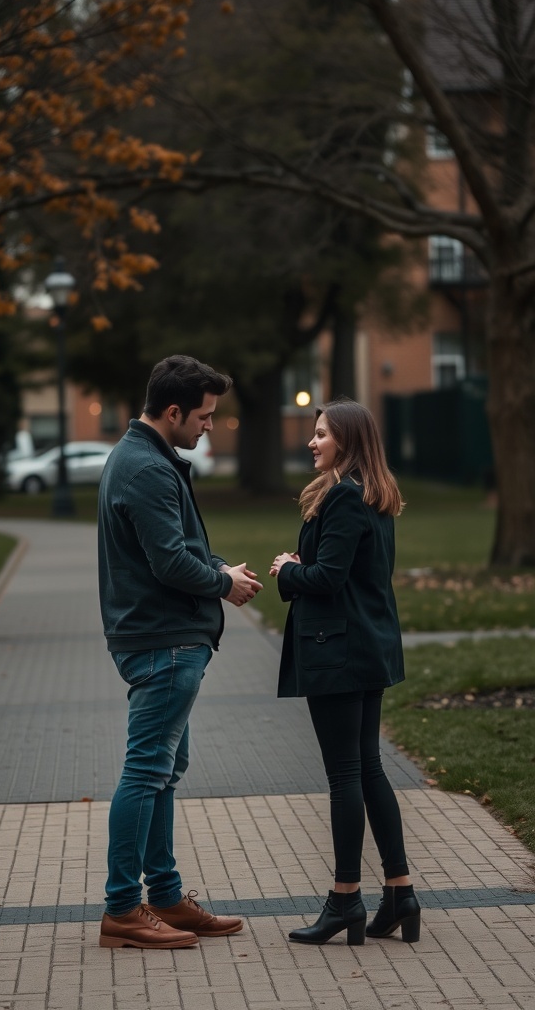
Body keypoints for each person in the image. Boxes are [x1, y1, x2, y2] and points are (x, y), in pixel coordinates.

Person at [98, 354, 262, 949]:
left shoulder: (142, 457)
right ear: (173, 412)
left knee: (163, 772)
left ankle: (165, 897)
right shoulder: (146, 467)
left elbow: (171, 547)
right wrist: (223, 584)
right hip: (163, 641)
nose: (210, 425)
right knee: (147, 772)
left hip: (163, 637)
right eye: (205, 416)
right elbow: (169, 562)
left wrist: (218, 567)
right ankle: (123, 909)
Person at [270, 398, 420, 947]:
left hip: (339, 653)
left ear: (347, 441)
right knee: (368, 768)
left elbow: (328, 578)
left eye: (322, 434)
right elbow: (351, 573)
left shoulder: (344, 498)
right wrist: (305, 567)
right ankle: (399, 894)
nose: (312, 442)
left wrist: (288, 570)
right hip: (367, 647)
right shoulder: (373, 495)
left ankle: (345, 900)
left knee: (345, 775)